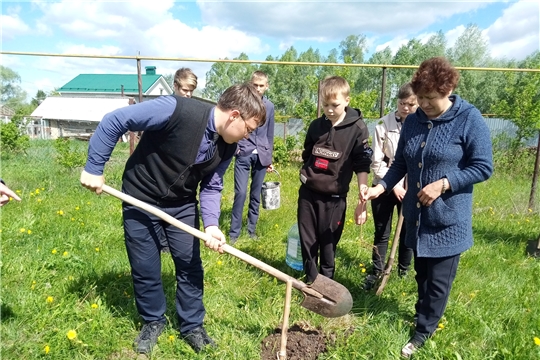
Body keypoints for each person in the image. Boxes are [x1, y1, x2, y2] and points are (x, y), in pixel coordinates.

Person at [80, 84, 266, 355]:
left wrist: (212, 225)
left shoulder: (227, 147)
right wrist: (94, 167)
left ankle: (192, 325)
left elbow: (212, 186)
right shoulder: (175, 109)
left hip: (181, 204)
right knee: (145, 265)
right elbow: (116, 120)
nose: (248, 136)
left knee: (190, 265)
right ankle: (152, 321)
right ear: (234, 115)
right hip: (140, 197)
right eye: (248, 129)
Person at [361, 57, 493, 358]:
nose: (423, 104)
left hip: (448, 219)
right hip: (417, 217)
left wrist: (444, 184)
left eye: (430, 99)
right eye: (420, 99)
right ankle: (424, 316)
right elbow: (402, 163)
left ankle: (423, 332)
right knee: (422, 275)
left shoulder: (469, 118)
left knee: (437, 282)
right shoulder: (415, 120)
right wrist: (380, 188)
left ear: (448, 91)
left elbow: (483, 167)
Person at [298, 75, 372, 284]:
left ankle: (327, 284)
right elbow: (307, 154)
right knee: (308, 240)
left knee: (328, 242)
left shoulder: (357, 129)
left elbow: (362, 163)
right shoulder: (316, 126)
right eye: (325, 105)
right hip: (308, 194)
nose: (329, 109)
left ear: (347, 100)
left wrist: (362, 191)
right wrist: (306, 174)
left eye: (335, 105)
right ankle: (311, 283)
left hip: (334, 198)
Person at [363, 83, 417, 290]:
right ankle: (377, 270)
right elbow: (377, 161)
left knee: (407, 231)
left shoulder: (421, 124)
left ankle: (403, 271)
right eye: (402, 103)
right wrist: (392, 185)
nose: (405, 108)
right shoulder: (383, 124)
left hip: (411, 188)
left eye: (411, 104)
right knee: (382, 231)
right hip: (384, 185)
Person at [229, 70, 275, 244]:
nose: (258, 88)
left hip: (262, 156)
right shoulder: (242, 104)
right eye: (255, 85)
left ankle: (251, 230)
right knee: (240, 193)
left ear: (266, 86)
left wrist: (269, 158)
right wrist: (237, 148)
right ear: (250, 84)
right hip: (243, 152)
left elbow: (270, 134)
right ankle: (234, 233)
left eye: (261, 85)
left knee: (256, 195)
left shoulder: (269, 107)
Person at [158, 67, 199, 254]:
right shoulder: (164, 106)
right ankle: (161, 239)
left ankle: (171, 240)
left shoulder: (192, 110)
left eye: (191, 91)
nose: (188, 95)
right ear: (175, 86)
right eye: (185, 90)